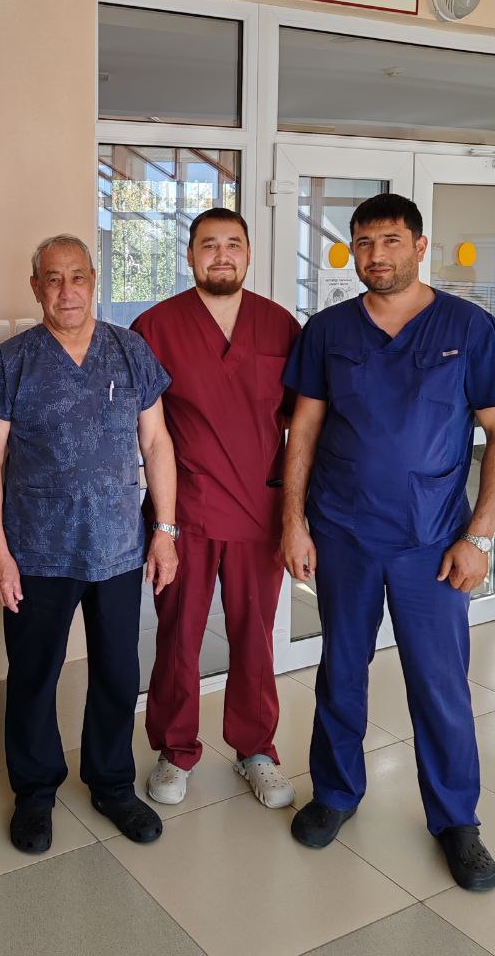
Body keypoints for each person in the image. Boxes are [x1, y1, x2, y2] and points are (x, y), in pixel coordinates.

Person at [282, 193, 495, 892]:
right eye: (363, 242)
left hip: (433, 541)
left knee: (439, 682)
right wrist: (293, 521)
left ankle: (456, 820)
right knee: (341, 670)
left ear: (421, 246)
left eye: (390, 241)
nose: (376, 255)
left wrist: (479, 537)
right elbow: (303, 429)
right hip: (344, 532)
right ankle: (335, 792)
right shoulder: (328, 331)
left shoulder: (468, 328)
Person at [0, 234, 178, 854]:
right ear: (36, 287)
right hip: (37, 552)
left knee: (117, 670)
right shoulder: (13, 362)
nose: (67, 291)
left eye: (78, 277)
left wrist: (164, 530)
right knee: (34, 676)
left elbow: (157, 443)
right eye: (54, 279)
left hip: (118, 548)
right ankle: (35, 793)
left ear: (94, 280)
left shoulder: (130, 351)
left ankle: (113, 784)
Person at [133, 207, 300, 809]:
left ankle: (256, 750)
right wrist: (163, 523)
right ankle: (175, 749)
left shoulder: (280, 326)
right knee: (179, 636)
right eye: (209, 245)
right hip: (185, 511)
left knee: (255, 636)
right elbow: (144, 430)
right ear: (191, 255)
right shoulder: (155, 327)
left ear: (248, 254)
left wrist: (299, 516)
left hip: (260, 510)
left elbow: (302, 426)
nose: (221, 255)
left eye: (233, 244)